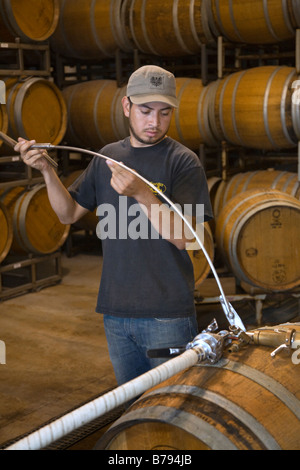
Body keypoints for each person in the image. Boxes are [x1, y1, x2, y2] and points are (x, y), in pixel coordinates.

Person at [15, 65, 213, 386]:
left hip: (166, 313)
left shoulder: (182, 161)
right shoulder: (106, 157)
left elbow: (186, 237)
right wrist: (46, 172)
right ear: (126, 106)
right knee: (131, 409)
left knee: (169, 410)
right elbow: (67, 214)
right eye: (146, 111)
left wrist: (141, 193)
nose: (154, 122)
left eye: (164, 113)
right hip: (116, 313)